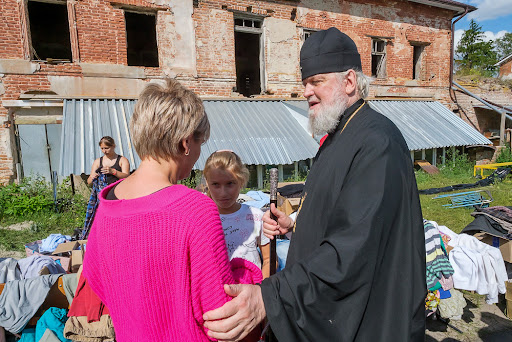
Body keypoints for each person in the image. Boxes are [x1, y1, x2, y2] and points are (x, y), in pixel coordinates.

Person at [203, 27, 426, 341]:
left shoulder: (377, 142)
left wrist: (270, 297)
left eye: (317, 81)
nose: (306, 91)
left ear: (349, 81)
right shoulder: (339, 135)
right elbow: (341, 215)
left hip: (365, 317)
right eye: (305, 83)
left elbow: (355, 246)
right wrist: (295, 225)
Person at [82, 79, 262, 342]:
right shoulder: (195, 209)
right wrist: (248, 274)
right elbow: (222, 316)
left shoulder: (108, 202)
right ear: (186, 143)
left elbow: (96, 278)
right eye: (200, 143)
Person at [203, 150, 271, 278]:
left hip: (250, 293)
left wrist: (260, 289)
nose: (223, 193)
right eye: (216, 185)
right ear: (207, 183)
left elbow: (269, 259)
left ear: (241, 181)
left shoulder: (256, 216)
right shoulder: (202, 219)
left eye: (230, 183)